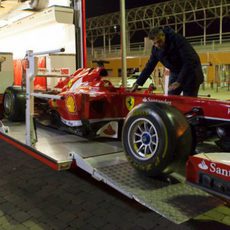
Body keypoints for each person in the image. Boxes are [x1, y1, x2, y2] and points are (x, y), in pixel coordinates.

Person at [131, 26, 204, 96]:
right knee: (171, 97)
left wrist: (179, 81)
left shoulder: (178, 40)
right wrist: (138, 83)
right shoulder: (155, 50)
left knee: (188, 101)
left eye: (159, 41)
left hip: (191, 72)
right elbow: (149, 66)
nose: (157, 45)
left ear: (163, 35)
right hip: (175, 72)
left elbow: (189, 61)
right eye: (154, 43)